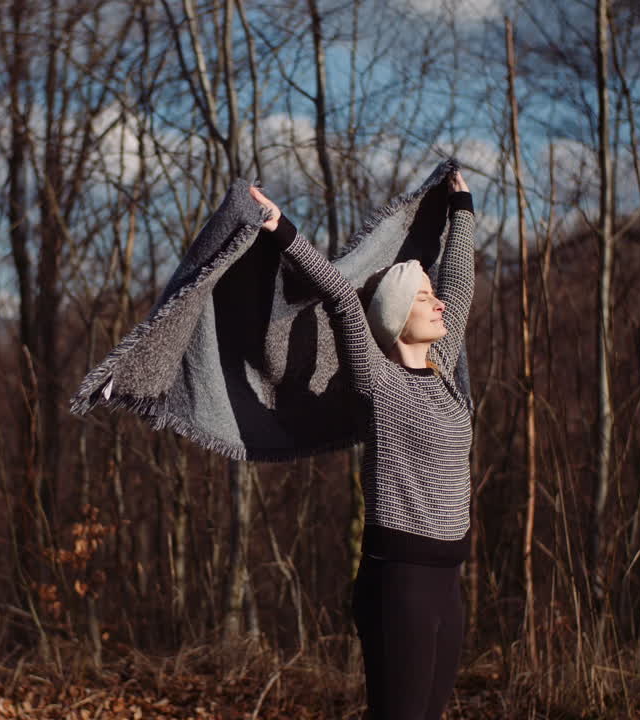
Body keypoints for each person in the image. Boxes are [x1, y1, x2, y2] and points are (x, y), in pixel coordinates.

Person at [250, 172, 475, 720]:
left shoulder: (445, 372)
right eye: (424, 297)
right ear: (396, 317)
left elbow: (461, 285)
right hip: (400, 582)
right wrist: (282, 229)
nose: (439, 304)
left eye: (433, 294)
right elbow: (341, 299)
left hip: (448, 583)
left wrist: (462, 210)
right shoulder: (379, 382)